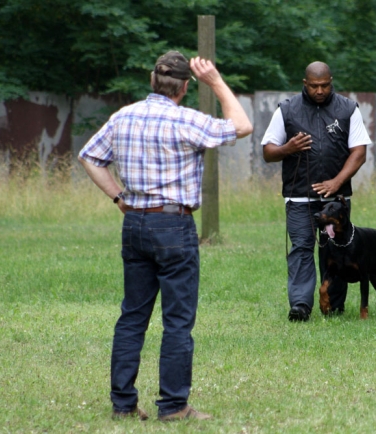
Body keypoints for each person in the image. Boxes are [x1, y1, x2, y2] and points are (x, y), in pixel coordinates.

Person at [78, 51, 252, 421]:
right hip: (174, 226)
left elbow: (89, 157)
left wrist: (118, 197)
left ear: (152, 80)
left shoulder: (123, 116)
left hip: (134, 224)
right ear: (185, 87)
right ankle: (173, 406)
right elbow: (242, 126)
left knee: (132, 316)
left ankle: (123, 405)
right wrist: (216, 81)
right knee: (177, 321)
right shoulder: (186, 120)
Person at [261, 61, 371, 322]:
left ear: (331, 82)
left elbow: (359, 152)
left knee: (338, 248)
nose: (319, 91)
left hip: (336, 200)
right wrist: (287, 148)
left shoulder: (348, 109)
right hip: (299, 196)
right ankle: (300, 306)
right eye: (314, 86)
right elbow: (268, 151)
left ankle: (334, 305)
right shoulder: (287, 109)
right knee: (301, 247)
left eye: (324, 85)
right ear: (305, 83)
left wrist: (336, 182)